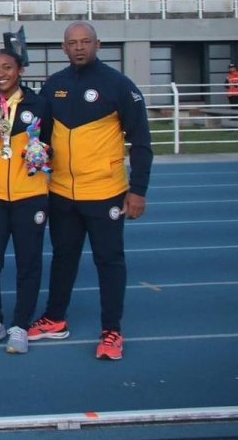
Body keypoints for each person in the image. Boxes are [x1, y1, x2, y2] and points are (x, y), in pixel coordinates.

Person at [29, 22, 152, 361]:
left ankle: (112, 331)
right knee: (63, 258)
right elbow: (42, 137)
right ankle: (55, 317)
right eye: (72, 43)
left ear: (98, 44)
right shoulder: (54, 85)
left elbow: (141, 142)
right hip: (62, 193)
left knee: (109, 262)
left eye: (85, 41)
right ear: (64, 48)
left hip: (105, 193)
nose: (79, 47)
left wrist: (137, 190)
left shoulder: (119, 86)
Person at [0, 49, 51, 355]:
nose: (0, 73)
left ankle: (20, 324)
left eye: (7, 67)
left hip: (30, 195)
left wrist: (41, 152)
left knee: (28, 263)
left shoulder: (39, 103)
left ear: (19, 69)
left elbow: (53, 146)